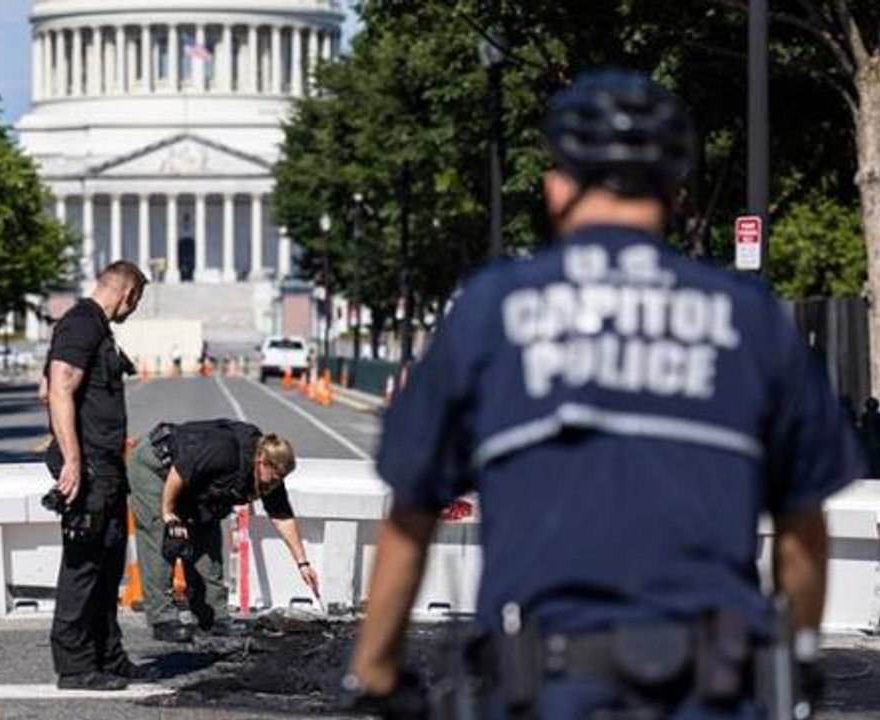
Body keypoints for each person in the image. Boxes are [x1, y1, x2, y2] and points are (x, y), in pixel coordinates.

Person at [345, 70, 862, 719]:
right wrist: (799, 658)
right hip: (715, 689)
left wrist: (376, 674)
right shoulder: (750, 318)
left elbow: (411, 517)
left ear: (557, 186)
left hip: (543, 689)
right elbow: (802, 527)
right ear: (676, 194)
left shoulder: (492, 310)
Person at [45, 260, 151, 690]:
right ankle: (74, 666)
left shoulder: (99, 329)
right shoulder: (81, 324)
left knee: (109, 567)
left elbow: (49, 390)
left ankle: (108, 654)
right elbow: (57, 388)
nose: (133, 310)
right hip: (87, 467)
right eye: (136, 303)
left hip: (106, 466)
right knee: (83, 566)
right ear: (128, 295)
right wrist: (72, 459)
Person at [127, 419, 319, 642]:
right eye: (276, 478)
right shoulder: (225, 451)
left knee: (208, 542)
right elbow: (179, 472)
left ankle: (213, 616)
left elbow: (282, 516)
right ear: (263, 462)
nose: (276, 484)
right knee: (162, 534)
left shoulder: (270, 476)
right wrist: (169, 512)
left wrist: (302, 563)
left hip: (193, 486)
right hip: (157, 468)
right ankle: (163, 619)